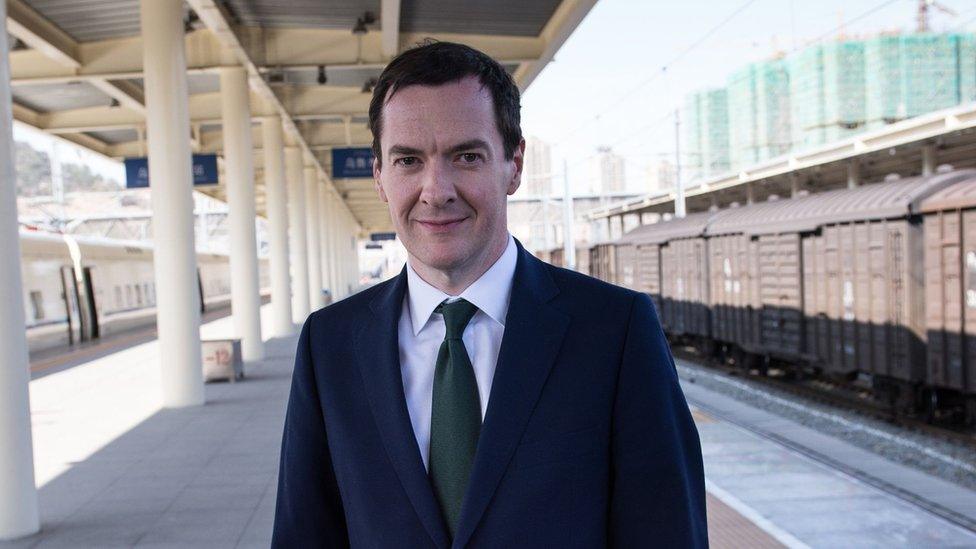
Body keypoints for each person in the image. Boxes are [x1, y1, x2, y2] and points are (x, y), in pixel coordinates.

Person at [272, 41, 707, 548]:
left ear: (514, 164)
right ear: (380, 176)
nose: (437, 190)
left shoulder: (615, 330)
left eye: (467, 156)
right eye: (409, 160)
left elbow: (666, 533)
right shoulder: (330, 344)